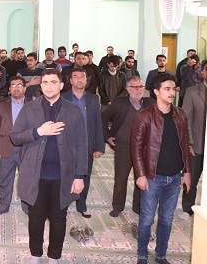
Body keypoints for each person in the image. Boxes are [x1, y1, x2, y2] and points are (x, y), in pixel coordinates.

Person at [10, 69, 87, 263]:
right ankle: (35, 254)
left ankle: (54, 256)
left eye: (53, 82)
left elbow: (81, 145)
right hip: (35, 175)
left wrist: (79, 176)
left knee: (58, 219)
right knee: (35, 219)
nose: (49, 86)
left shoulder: (73, 111)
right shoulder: (29, 108)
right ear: (41, 85)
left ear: (61, 85)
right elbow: (15, 137)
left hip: (63, 176)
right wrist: (38, 132)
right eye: (45, 82)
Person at [131, 73, 192, 264]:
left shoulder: (180, 115)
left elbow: (185, 144)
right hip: (152, 176)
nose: (172, 92)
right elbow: (136, 148)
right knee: (147, 219)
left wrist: (187, 172)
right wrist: (140, 175)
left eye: (173, 89)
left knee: (166, 219)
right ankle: (142, 254)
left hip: (174, 178)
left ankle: (161, 255)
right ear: (156, 91)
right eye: (167, 89)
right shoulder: (144, 116)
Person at [102, 76, 155, 217]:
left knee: (141, 178)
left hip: (143, 149)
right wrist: (107, 136)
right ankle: (117, 206)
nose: (138, 90)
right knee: (120, 179)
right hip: (123, 147)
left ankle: (138, 207)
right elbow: (103, 118)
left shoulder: (150, 103)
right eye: (134, 87)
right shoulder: (119, 103)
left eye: (141, 87)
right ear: (127, 89)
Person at [62, 67, 104, 218]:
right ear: (70, 80)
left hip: (86, 144)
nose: (79, 79)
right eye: (76, 76)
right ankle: (64, 203)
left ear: (87, 80)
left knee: (85, 174)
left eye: (82, 76)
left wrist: (99, 146)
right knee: (65, 174)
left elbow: (98, 122)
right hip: (66, 144)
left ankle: (82, 204)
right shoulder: (63, 97)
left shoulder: (93, 99)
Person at [0, 75, 29, 216]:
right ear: (9, 89)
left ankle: (27, 206)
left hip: (26, 149)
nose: (16, 88)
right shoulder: (1, 104)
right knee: (4, 179)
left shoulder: (32, 105)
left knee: (26, 180)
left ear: (25, 88)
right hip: (5, 148)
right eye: (13, 85)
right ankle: (4, 205)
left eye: (19, 85)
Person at [181, 60, 207, 218]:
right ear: (202, 71)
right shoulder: (192, 91)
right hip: (197, 144)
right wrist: (188, 142)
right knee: (192, 177)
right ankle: (187, 207)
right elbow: (186, 119)